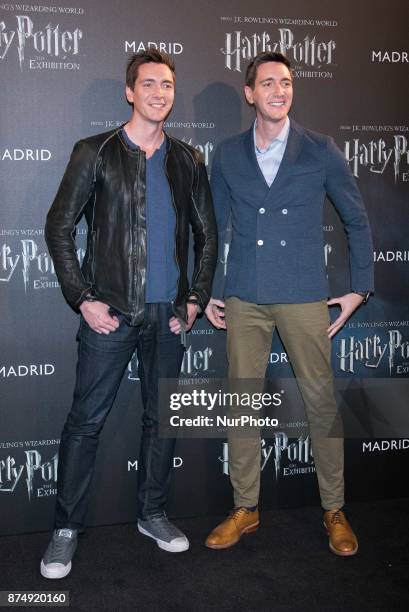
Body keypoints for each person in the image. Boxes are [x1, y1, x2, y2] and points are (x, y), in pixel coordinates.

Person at [42, 49, 217, 578]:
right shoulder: (94, 152)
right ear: (129, 92)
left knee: (160, 420)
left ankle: (153, 513)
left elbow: (207, 237)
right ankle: (66, 529)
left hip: (168, 315)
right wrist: (83, 297)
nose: (159, 93)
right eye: (148, 84)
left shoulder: (188, 159)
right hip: (111, 314)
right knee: (84, 423)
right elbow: (58, 227)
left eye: (167, 84)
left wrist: (193, 300)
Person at [205, 51, 373, 556]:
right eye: (268, 83)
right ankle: (245, 509)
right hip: (245, 295)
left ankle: (335, 509)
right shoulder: (228, 153)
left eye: (286, 82)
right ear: (250, 93)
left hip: (303, 296)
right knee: (242, 404)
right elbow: (210, 227)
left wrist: (358, 289)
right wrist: (208, 287)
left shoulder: (320, 149)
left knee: (321, 403)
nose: (279, 90)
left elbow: (357, 219)